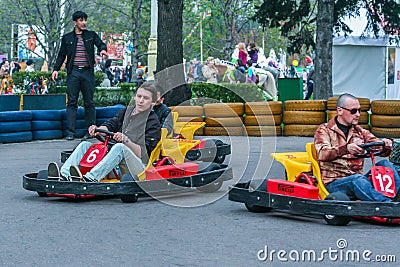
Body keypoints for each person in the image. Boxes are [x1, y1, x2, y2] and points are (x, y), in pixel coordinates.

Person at [48, 83, 161, 182]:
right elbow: (110, 124)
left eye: (146, 98)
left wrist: (126, 140)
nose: (141, 101)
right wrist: (97, 130)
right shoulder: (126, 112)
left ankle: (91, 178)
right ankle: (64, 175)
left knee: (120, 147)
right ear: (135, 97)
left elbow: (143, 154)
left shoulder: (153, 123)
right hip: (116, 163)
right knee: (85, 145)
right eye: (139, 96)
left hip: (139, 168)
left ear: (153, 102)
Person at [314, 93, 400, 202]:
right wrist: (346, 148)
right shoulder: (324, 130)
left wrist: (385, 145)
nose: (358, 114)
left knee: (385, 165)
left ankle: (395, 200)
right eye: (353, 111)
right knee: (357, 180)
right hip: (334, 182)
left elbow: (378, 147)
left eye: (359, 111)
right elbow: (322, 154)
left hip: (358, 179)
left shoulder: (360, 131)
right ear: (340, 111)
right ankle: (386, 206)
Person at [52, 11, 108, 140]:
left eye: (85, 20)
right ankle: (70, 132)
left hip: (87, 72)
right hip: (74, 72)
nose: (84, 23)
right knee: (72, 102)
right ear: (75, 22)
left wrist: (103, 50)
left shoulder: (91, 35)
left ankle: (90, 130)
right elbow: (61, 55)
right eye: (81, 20)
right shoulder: (67, 38)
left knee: (89, 102)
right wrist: (55, 69)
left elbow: (100, 44)